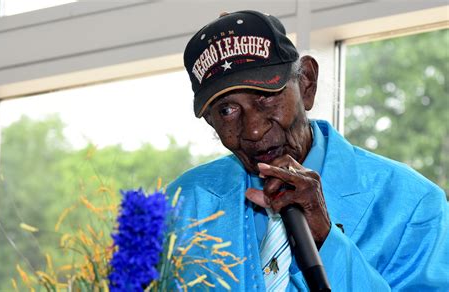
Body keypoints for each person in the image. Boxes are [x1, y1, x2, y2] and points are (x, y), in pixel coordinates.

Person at [167, 10, 448, 291]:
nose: (253, 130)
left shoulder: (414, 204)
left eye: (266, 96)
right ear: (210, 121)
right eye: (227, 110)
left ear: (306, 84)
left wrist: (326, 239)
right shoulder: (182, 205)